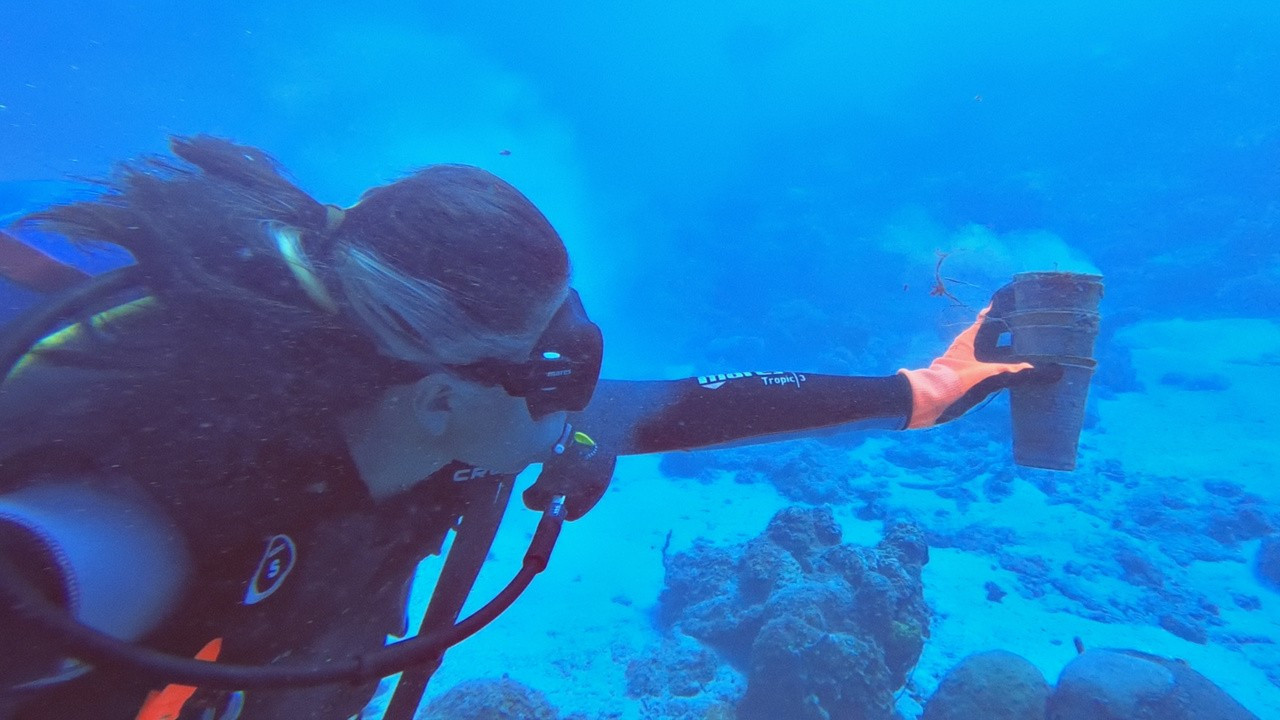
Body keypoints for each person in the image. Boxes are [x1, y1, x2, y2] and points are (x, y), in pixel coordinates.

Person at [0, 136, 1045, 720]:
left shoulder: (420, 404)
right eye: (556, 374)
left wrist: (916, 391)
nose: (576, 409)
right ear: (443, 396)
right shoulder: (117, 545)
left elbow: (678, 406)